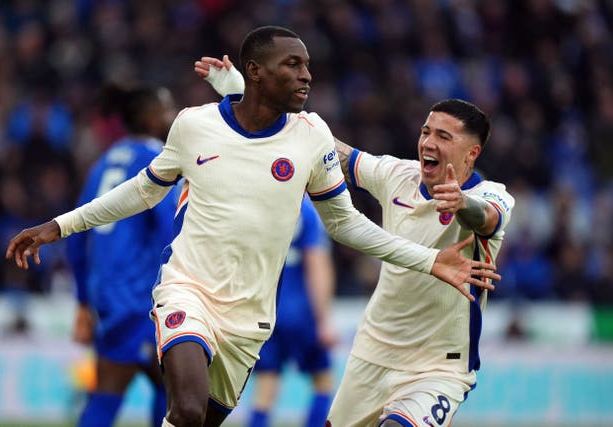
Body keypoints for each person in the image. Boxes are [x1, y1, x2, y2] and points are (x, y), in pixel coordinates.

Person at [6, 26, 499, 427]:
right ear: (257, 73)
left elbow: (345, 223)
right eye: (294, 65)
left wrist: (431, 259)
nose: (307, 74)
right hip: (187, 289)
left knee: (199, 418)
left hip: (249, 320)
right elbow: (142, 190)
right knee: (187, 410)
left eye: (307, 64)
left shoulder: (311, 137)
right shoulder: (194, 125)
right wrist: (59, 226)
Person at [198, 58, 514, 426]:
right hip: (372, 353)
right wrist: (243, 94)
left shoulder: (494, 195)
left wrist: (463, 203)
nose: (428, 142)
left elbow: (487, 216)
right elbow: (323, 146)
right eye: (426, 131)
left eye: (443, 137)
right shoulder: (398, 175)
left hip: (436, 368)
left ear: (471, 153)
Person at [67, 83, 177, 427]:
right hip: (142, 296)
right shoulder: (158, 159)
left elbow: (75, 237)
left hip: (109, 295)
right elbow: (171, 229)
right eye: (166, 108)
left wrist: (84, 300)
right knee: (174, 392)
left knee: (165, 388)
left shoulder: (104, 162)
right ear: (150, 116)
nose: (173, 116)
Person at [247, 196, 337, 427]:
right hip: (301, 312)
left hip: (264, 311)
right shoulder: (305, 210)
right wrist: (324, 320)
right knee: (323, 381)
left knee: (266, 386)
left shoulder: (259, 206)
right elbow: (316, 264)